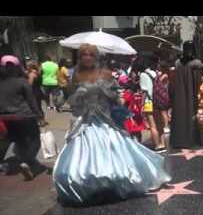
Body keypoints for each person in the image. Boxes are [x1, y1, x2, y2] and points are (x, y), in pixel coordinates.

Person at [53, 44, 171, 206]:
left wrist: (106, 93)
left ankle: (111, 185)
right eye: (84, 54)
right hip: (85, 122)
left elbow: (116, 99)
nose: (87, 57)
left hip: (104, 119)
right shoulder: (76, 75)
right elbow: (72, 101)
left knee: (113, 152)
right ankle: (90, 188)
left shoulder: (106, 74)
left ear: (96, 57)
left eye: (90, 54)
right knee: (80, 159)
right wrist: (78, 95)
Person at [0, 55, 45, 180]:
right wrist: (40, 116)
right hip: (24, 117)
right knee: (35, 140)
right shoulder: (22, 82)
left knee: (6, 141)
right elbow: (32, 101)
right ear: (18, 67)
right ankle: (25, 161)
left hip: (4, 118)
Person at [169, 41, 203, 149]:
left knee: (180, 117)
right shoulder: (197, 63)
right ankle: (192, 140)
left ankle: (179, 140)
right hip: (192, 96)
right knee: (192, 116)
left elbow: (172, 82)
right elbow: (199, 82)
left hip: (179, 96)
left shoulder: (177, 63)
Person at [132, 56, 163, 152]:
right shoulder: (154, 73)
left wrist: (141, 105)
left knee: (152, 125)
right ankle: (162, 143)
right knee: (159, 123)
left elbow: (145, 91)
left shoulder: (143, 75)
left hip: (149, 102)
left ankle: (157, 145)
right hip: (157, 100)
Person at [153, 61, 171, 149]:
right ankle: (166, 124)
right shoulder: (164, 74)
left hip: (164, 95)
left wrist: (157, 76)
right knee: (164, 111)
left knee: (164, 111)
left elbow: (158, 82)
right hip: (163, 94)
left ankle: (166, 125)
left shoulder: (165, 75)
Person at [26, 61, 47, 126]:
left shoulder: (32, 74)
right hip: (38, 91)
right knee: (39, 106)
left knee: (35, 107)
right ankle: (42, 120)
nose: (27, 67)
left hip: (33, 92)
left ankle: (40, 120)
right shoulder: (38, 73)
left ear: (30, 66)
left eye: (28, 66)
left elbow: (29, 85)